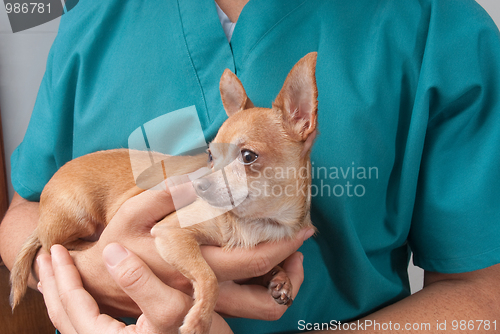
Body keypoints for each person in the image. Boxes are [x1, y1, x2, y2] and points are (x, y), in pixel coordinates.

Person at [1, 0, 500, 333]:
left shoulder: (436, 25)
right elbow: (25, 207)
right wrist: (95, 273)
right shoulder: (91, 18)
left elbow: (482, 298)